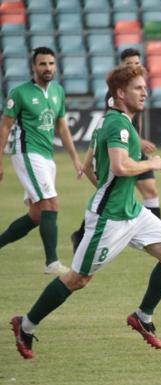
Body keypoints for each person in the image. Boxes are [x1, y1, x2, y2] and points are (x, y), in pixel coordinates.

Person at [10, 64, 161, 360]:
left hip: (132, 212)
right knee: (78, 279)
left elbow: (88, 167)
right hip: (110, 220)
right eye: (138, 88)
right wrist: (152, 163)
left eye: (145, 87)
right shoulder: (118, 125)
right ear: (120, 93)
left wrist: (106, 189)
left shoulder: (111, 121)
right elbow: (119, 167)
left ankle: (142, 316)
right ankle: (25, 325)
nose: (145, 92)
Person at [70, 48, 161, 253]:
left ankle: (152, 236)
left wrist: (138, 141)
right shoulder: (117, 94)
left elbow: (131, 124)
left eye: (137, 63)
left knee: (150, 191)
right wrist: (88, 161)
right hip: (121, 147)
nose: (135, 67)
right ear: (122, 66)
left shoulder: (139, 89)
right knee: (113, 195)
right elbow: (112, 124)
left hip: (133, 147)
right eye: (130, 64)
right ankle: (84, 233)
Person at [0, 47, 82, 275]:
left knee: (37, 215)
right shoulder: (19, 93)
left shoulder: (58, 91)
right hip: (27, 153)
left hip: (47, 156)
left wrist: (76, 159)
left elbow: (63, 128)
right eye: (43, 64)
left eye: (51, 64)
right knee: (52, 203)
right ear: (34, 67)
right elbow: (5, 127)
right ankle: (52, 263)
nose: (48, 68)